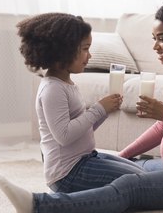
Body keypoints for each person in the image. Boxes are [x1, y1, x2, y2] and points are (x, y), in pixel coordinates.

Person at [0, 0, 163, 213]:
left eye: (162, 38)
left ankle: (39, 207)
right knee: (133, 166)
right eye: (154, 38)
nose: (155, 46)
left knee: (131, 186)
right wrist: (122, 156)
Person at [16, 12, 146, 194]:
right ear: (64, 51)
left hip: (84, 159)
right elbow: (64, 135)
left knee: (142, 173)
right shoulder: (53, 89)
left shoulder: (66, 83)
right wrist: (99, 109)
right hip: (68, 174)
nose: (89, 56)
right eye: (85, 49)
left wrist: (105, 110)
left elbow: (82, 129)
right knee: (139, 181)